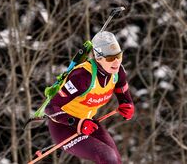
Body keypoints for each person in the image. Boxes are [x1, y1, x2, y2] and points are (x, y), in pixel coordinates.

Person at [44, 31, 134, 164]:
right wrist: (78, 123)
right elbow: (51, 108)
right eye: (110, 58)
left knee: (115, 160)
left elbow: (122, 89)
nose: (116, 62)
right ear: (98, 58)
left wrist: (127, 104)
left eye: (118, 55)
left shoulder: (118, 71)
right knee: (107, 157)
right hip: (64, 127)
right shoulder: (82, 77)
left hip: (88, 123)